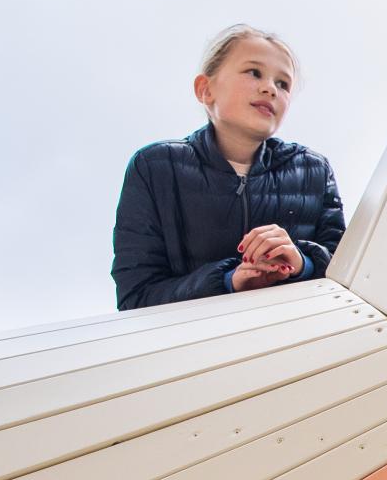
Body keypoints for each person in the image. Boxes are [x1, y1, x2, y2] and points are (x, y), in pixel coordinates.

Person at [111, 24, 347, 309]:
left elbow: (350, 279)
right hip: (201, 338)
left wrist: (302, 263)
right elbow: (136, 297)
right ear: (205, 89)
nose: (270, 88)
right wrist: (227, 281)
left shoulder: (314, 171)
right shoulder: (154, 167)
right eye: (254, 72)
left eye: (283, 84)